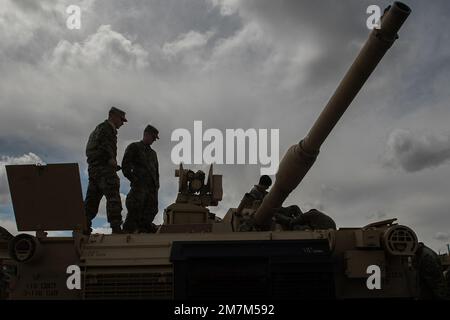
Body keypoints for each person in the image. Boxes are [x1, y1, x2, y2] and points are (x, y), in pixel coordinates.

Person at [84, 107, 127, 234]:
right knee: (113, 196)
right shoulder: (106, 128)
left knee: (91, 200)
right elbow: (105, 146)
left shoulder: (99, 128)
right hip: (104, 170)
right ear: (112, 115)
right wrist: (110, 160)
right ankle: (116, 227)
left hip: (94, 170)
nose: (122, 123)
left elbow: (94, 149)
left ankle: (84, 226)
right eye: (121, 119)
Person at [122, 124, 160, 233]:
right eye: (153, 137)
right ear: (146, 134)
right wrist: (135, 180)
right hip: (139, 188)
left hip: (152, 190)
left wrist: (156, 186)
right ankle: (127, 234)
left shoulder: (153, 154)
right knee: (135, 211)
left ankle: (144, 230)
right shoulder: (134, 147)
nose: (153, 140)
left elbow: (156, 172)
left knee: (151, 211)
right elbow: (125, 167)